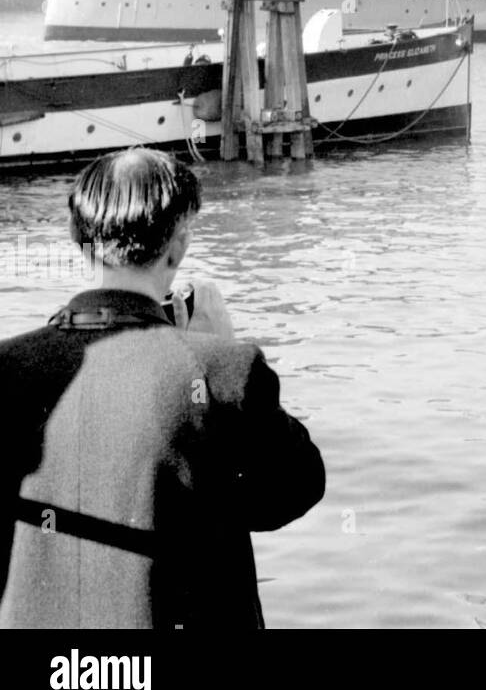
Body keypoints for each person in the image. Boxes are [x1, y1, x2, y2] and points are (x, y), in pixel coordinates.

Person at [0, 148, 325, 628]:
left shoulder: (8, 368)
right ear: (178, 246)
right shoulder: (222, 370)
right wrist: (217, 348)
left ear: (78, 239)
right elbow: (293, 491)